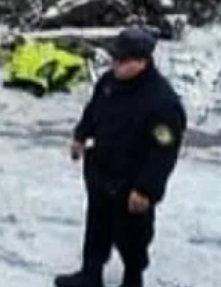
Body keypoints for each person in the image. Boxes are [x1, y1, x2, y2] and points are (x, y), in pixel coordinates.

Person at [54, 27, 186, 287]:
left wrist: (146, 190)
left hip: (132, 183)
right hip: (102, 169)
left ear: (141, 62)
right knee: (97, 226)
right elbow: (93, 111)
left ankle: (133, 277)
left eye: (121, 60)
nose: (113, 63)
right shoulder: (109, 83)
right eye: (113, 57)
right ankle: (91, 272)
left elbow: (164, 154)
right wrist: (80, 136)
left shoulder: (162, 102)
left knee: (132, 235)